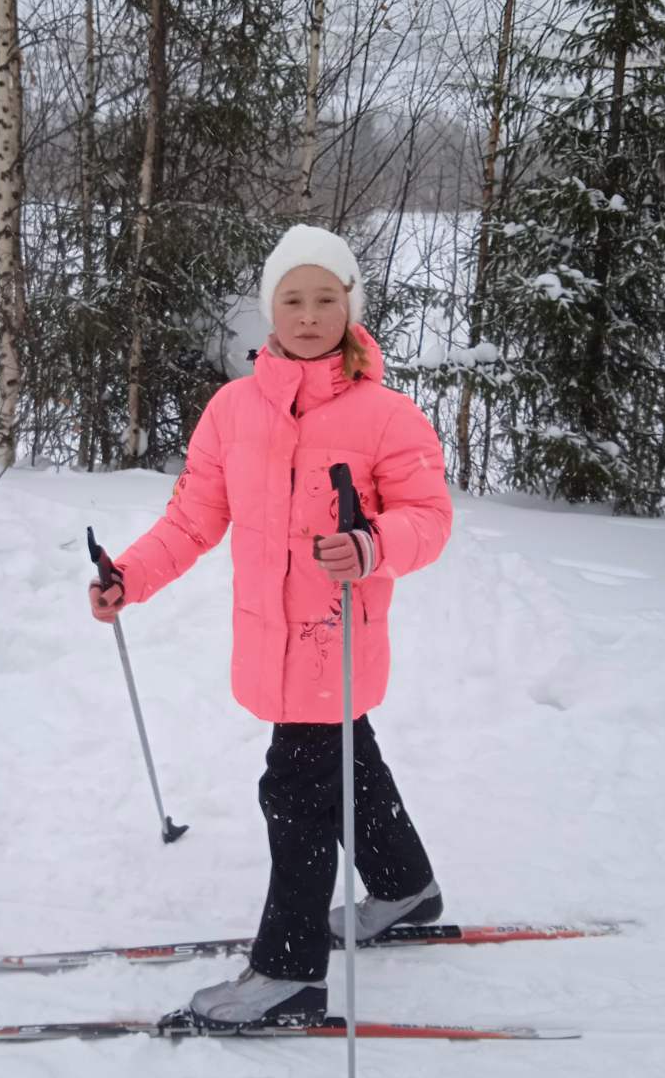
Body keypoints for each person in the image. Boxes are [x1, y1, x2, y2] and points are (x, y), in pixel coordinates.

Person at [88, 225, 454, 1025]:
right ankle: (404, 886)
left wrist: (372, 544)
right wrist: (130, 575)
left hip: (335, 639)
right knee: (346, 767)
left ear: (351, 306)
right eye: (292, 298)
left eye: (327, 298)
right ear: (269, 311)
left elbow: (430, 518)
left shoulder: (386, 416)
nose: (309, 313)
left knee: (296, 792)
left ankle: (289, 970)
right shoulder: (231, 411)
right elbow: (192, 519)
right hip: (269, 640)